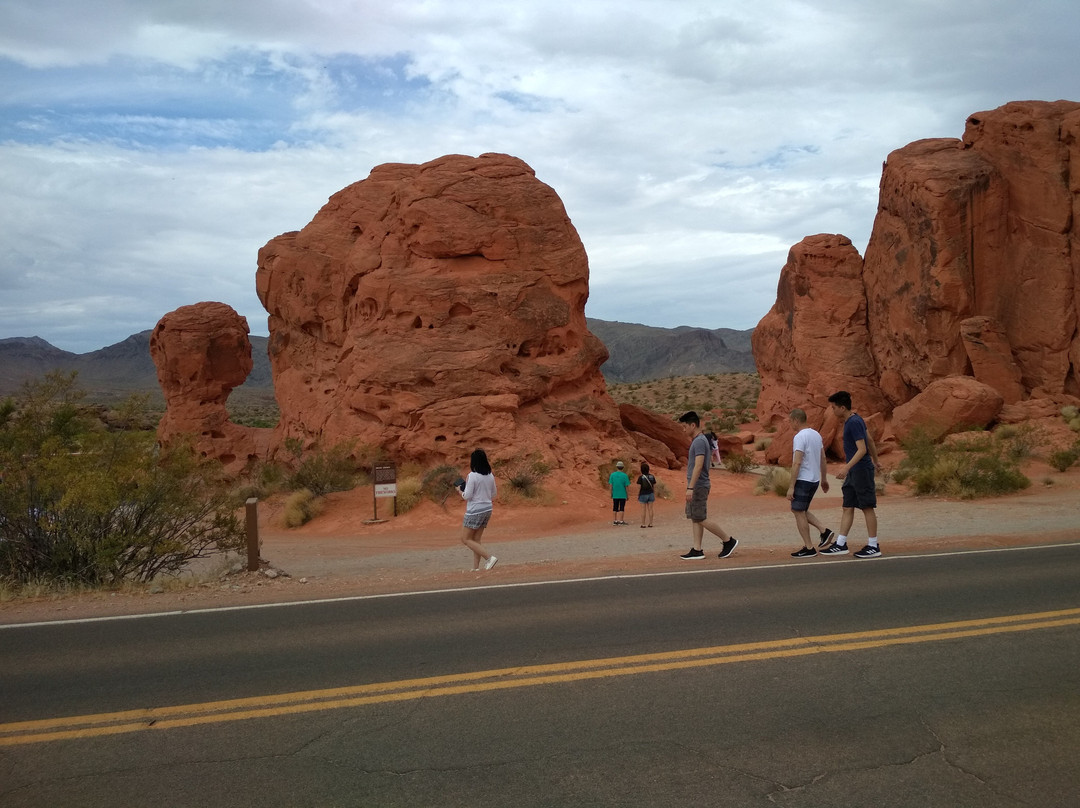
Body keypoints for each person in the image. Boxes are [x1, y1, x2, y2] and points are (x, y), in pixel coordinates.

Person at [820, 391, 882, 559]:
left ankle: (873, 545)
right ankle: (841, 543)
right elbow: (869, 440)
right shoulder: (854, 420)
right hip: (856, 471)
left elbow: (862, 449)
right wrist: (876, 461)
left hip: (860, 470)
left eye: (834, 407)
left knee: (867, 507)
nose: (832, 411)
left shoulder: (853, 422)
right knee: (848, 505)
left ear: (842, 407)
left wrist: (846, 467)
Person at [677, 411, 738, 560]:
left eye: (685, 426)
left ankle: (728, 540)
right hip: (698, 484)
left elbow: (698, 465)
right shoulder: (702, 439)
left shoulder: (698, 441)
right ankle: (697, 549)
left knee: (700, 517)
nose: (683, 430)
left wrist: (690, 487)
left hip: (698, 485)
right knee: (695, 517)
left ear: (693, 425)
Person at [785, 408, 835, 558]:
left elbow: (797, 462)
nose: (790, 424)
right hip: (814, 479)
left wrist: (791, 486)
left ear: (796, 420)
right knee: (801, 510)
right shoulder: (816, 434)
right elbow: (823, 458)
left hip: (804, 479)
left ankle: (809, 547)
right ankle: (824, 531)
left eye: (790, 421)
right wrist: (824, 479)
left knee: (798, 511)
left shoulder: (800, 437)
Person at [459, 448, 498, 571]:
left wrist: (460, 491)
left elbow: (467, 496)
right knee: (476, 539)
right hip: (487, 508)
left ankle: (489, 558)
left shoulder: (472, 476)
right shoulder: (490, 475)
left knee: (465, 539)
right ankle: (476, 568)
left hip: (475, 510)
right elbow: (494, 494)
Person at [608, 461, 631, 525]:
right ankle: (621, 520)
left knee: (615, 507)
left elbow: (610, 485)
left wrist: (611, 493)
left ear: (617, 467)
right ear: (623, 467)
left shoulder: (612, 475)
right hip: (623, 494)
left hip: (615, 494)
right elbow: (626, 486)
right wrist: (627, 495)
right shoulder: (625, 476)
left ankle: (615, 520)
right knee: (622, 507)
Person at [636, 461, 656, 528]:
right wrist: (654, 493)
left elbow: (639, 487)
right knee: (650, 509)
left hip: (643, 494)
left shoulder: (641, 477)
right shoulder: (652, 476)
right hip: (651, 493)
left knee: (643, 509)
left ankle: (643, 523)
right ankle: (651, 523)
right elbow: (654, 486)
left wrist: (638, 494)